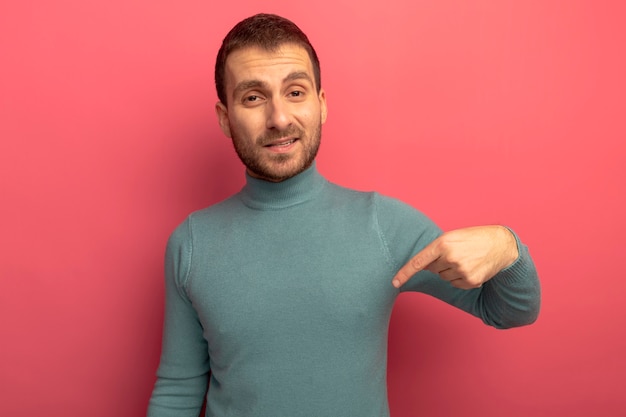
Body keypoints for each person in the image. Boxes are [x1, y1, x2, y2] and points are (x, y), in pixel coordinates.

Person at [147, 13, 540, 417]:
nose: (279, 118)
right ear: (225, 118)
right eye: (253, 97)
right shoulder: (191, 244)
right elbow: (178, 389)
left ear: (321, 104)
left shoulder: (383, 227)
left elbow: (509, 309)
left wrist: (507, 245)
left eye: (295, 92)